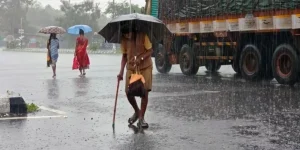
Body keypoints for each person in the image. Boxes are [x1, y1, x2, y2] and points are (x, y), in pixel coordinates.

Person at [117, 26, 153, 129]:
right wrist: (121, 72)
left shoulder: (142, 35)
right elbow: (124, 56)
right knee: (128, 92)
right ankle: (137, 111)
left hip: (145, 66)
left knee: (144, 92)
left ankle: (141, 118)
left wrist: (141, 58)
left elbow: (150, 51)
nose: (127, 36)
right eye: (124, 35)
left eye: (128, 34)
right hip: (131, 67)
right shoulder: (123, 40)